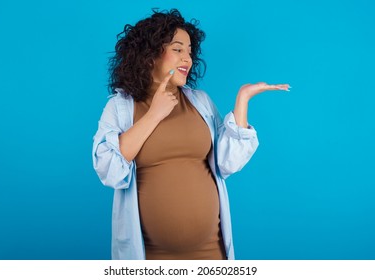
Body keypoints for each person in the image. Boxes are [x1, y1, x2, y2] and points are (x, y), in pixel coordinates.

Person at [92, 9, 290, 260]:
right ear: (150, 54)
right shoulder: (120, 107)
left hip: (211, 254)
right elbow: (108, 169)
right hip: (150, 257)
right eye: (178, 49)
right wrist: (154, 114)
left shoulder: (201, 102)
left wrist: (243, 98)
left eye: (189, 51)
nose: (188, 58)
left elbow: (226, 163)